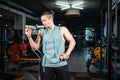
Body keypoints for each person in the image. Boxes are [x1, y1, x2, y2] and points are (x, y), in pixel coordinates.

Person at [25, 10, 76, 80]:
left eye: (44, 20)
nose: (42, 23)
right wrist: (29, 37)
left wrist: (67, 53)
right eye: (42, 21)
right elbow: (35, 48)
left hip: (61, 64)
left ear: (50, 19)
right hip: (46, 65)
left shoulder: (62, 29)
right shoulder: (41, 32)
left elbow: (72, 41)